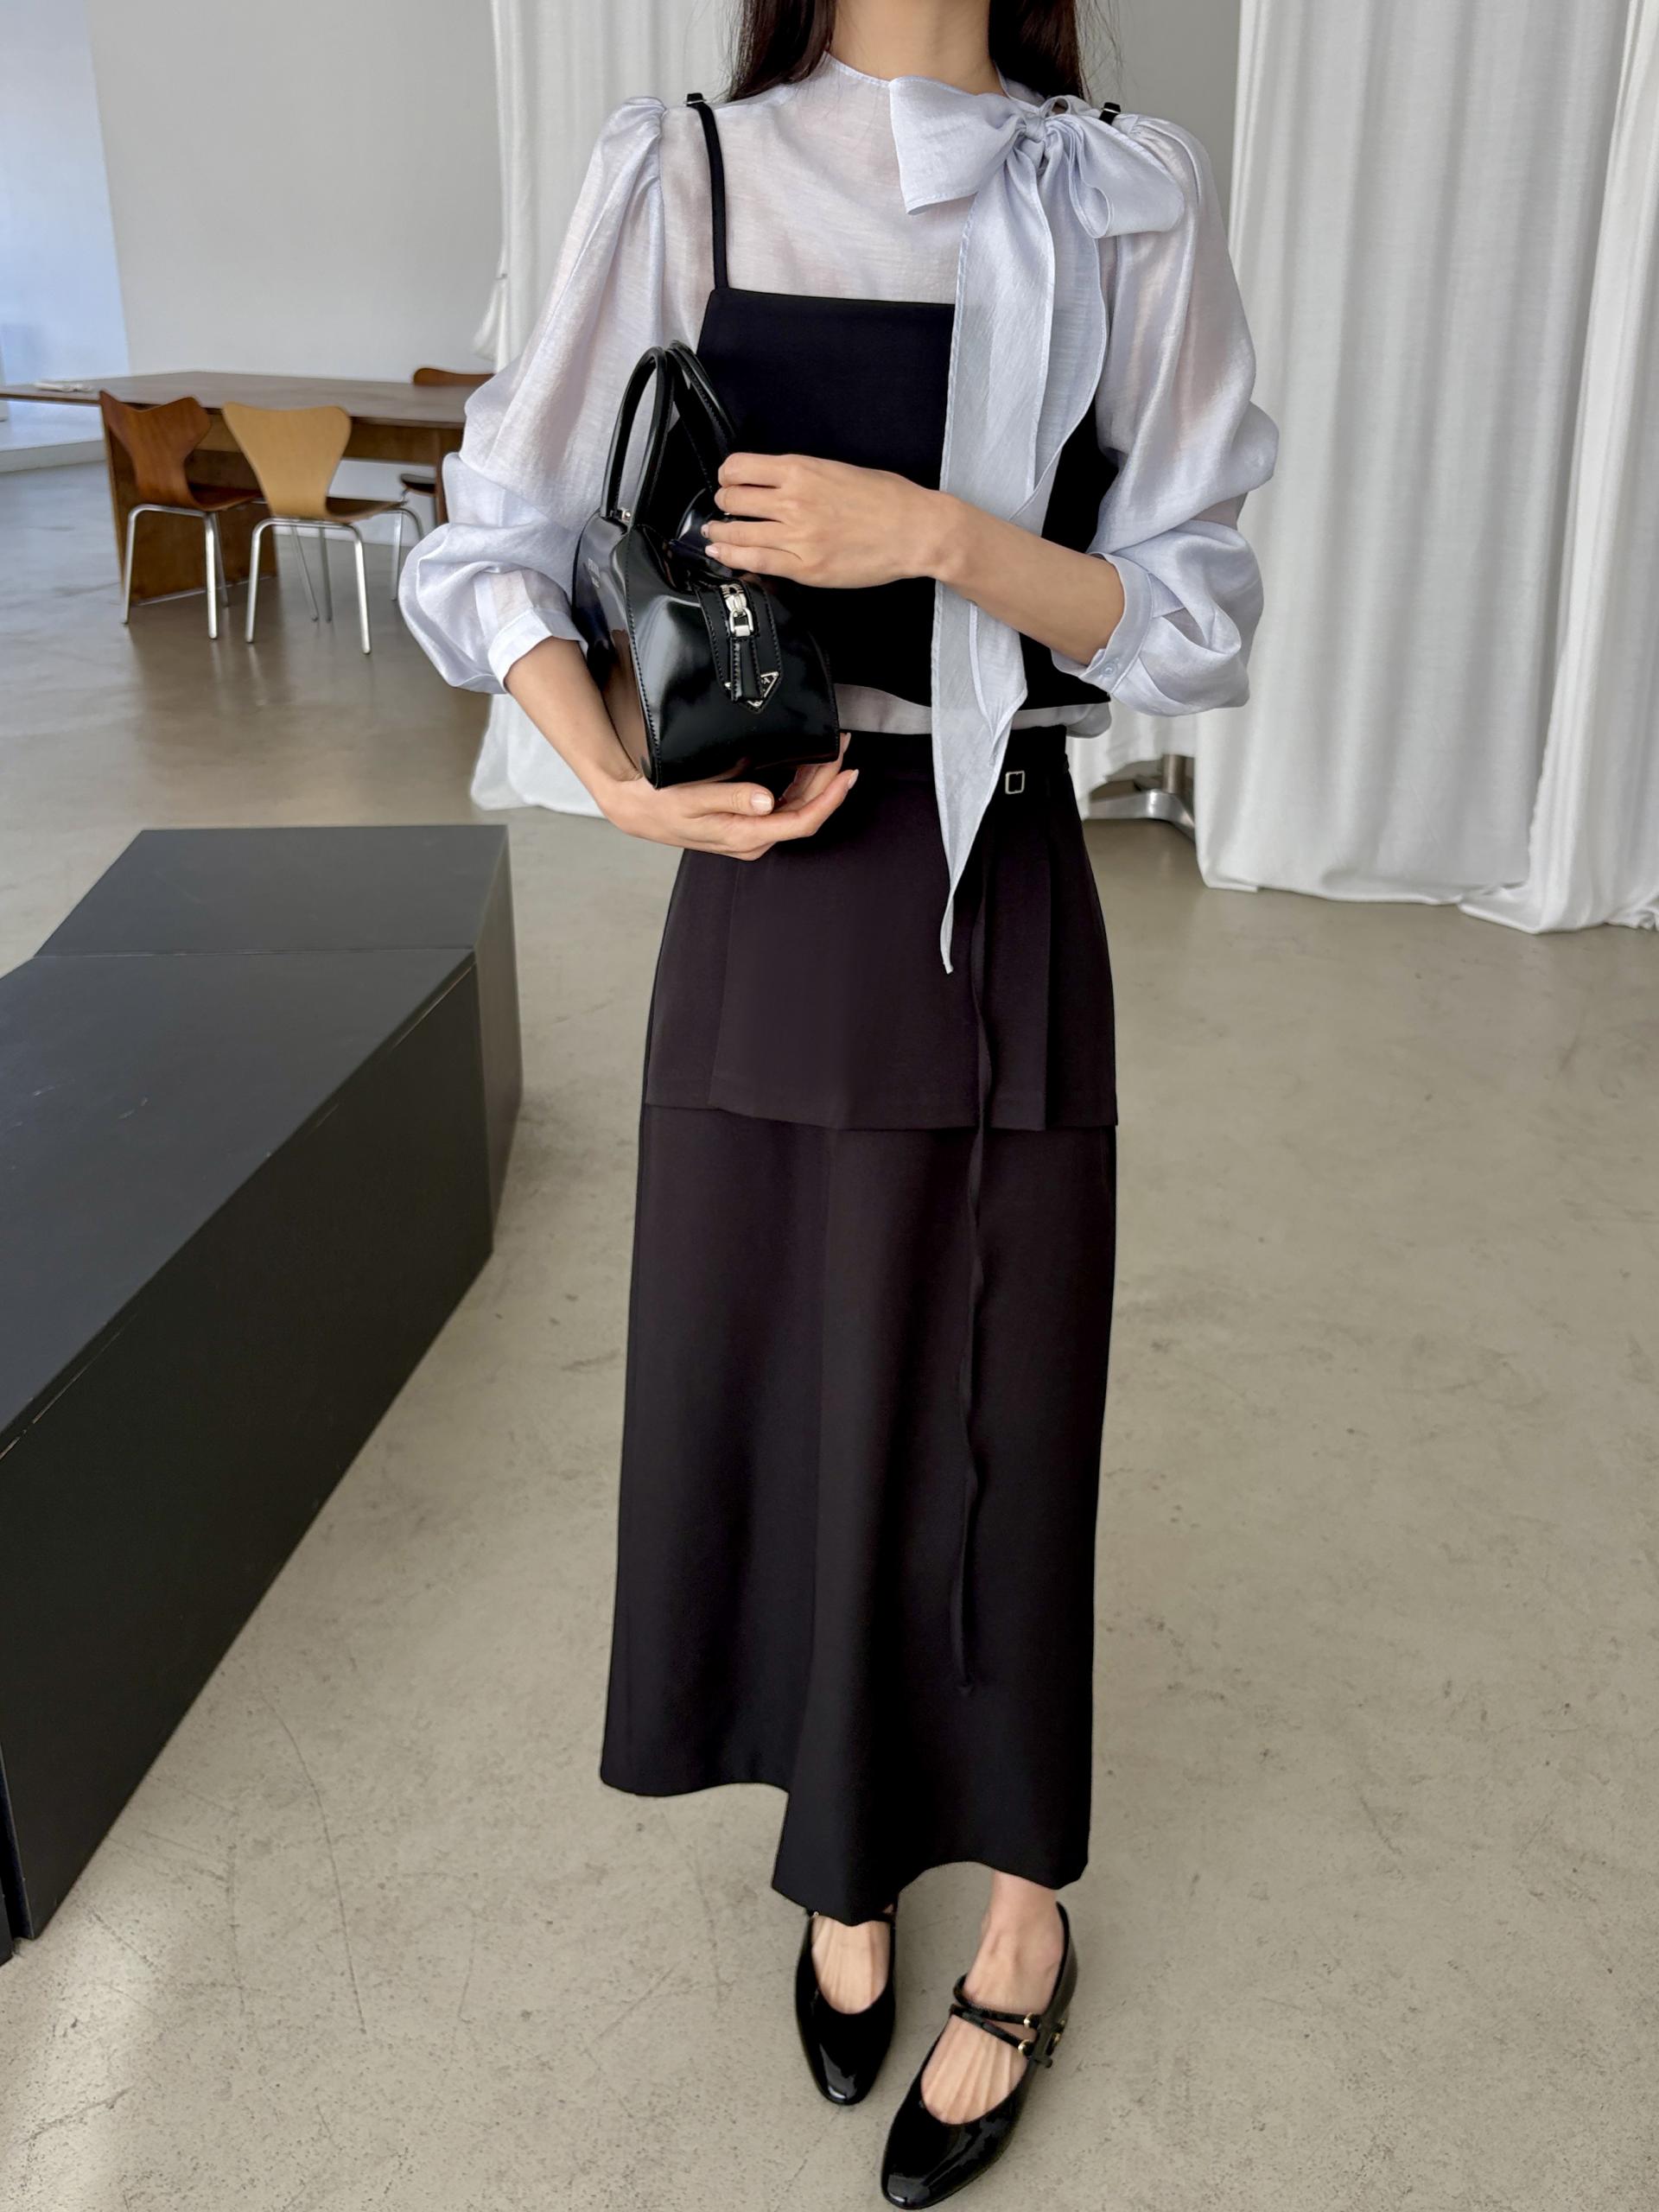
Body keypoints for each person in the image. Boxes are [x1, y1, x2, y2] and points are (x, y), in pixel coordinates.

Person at [402, 0, 1275, 2199]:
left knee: (1007, 1409)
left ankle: (1024, 1908)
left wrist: (941, 535)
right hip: (769, 878)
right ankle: (847, 1852)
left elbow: (1196, 608)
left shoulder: (1120, 187)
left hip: (1001, 871)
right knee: (783, 1387)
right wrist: (612, 777)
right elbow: (492, 534)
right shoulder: (686, 170)